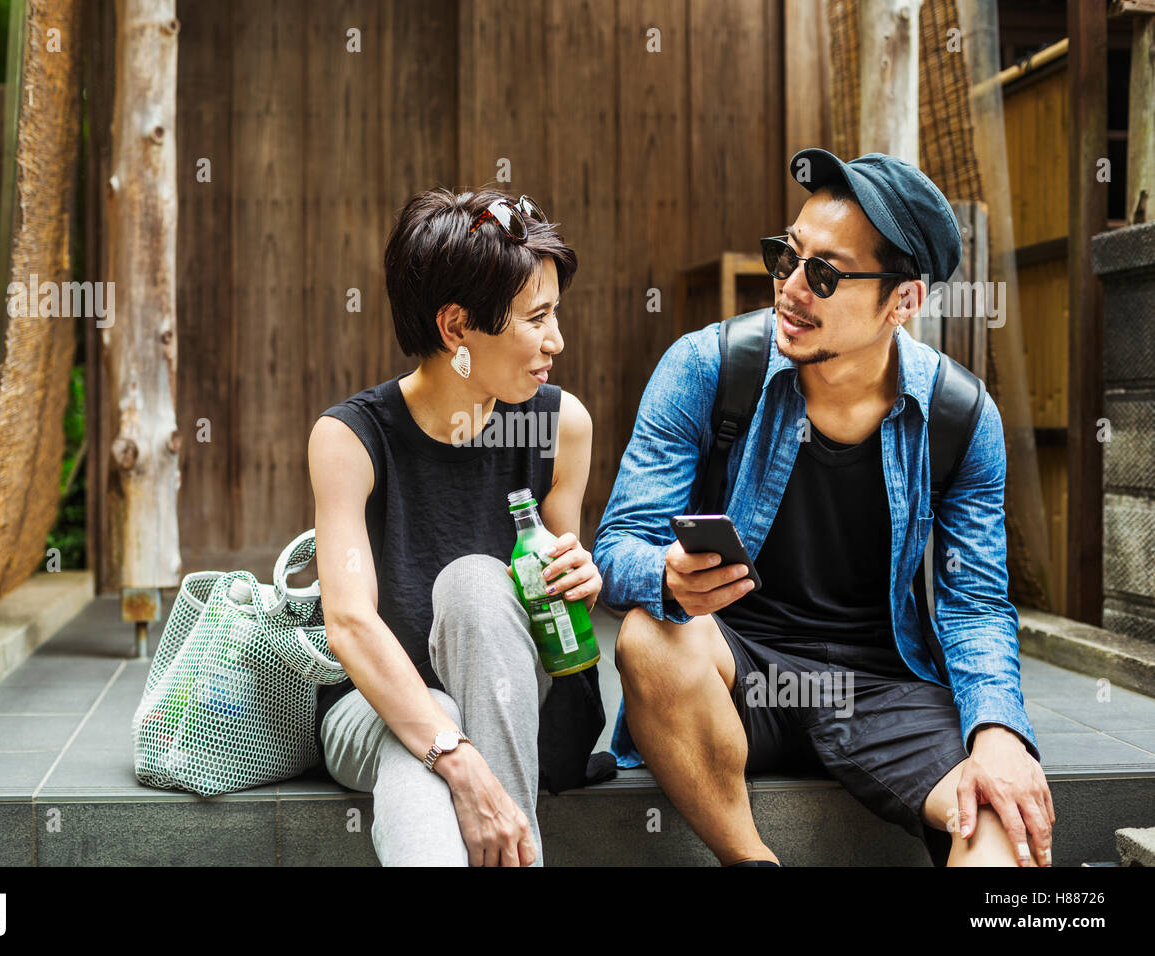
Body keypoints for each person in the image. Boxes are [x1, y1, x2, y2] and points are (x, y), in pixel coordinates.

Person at [593, 149, 1054, 867]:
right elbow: (619, 542)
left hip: (881, 686)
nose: (791, 288)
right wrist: (666, 575)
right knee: (650, 639)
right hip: (735, 669)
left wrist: (998, 730)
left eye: (827, 274)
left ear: (904, 300)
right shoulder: (708, 367)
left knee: (1003, 828)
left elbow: (975, 604)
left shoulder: (962, 417)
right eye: (788, 256)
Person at [308, 186, 604, 867]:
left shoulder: (562, 426)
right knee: (426, 749)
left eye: (555, 314)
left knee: (477, 587)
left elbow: (559, 625)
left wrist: (581, 580)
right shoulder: (350, 439)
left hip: (519, 696)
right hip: (378, 706)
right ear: (455, 328)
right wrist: (457, 755)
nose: (556, 340)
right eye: (537, 318)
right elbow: (349, 624)